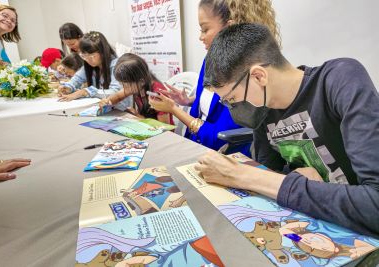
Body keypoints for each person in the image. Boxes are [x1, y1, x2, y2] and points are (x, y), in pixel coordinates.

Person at [197, 23, 379, 237]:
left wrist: (241, 175)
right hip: (312, 224)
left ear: (258, 77)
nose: (233, 109)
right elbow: (270, 176)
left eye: (232, 99)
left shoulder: (340, 80)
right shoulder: (263, 113)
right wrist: (292, 178)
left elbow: (374, 204)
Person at [149, 0, 279, 153]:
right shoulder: (211, 59)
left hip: (223, 155)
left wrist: (174, 110)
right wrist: (187, 101)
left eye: (205, 29)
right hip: (196, 145)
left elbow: (218, 138)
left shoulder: (247, 75)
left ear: (229, 27)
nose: (201, 37)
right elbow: (211, 102)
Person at [58, 31, 132, 111]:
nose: (88, 59)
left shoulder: (117, 65)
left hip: (120, 111)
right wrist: (68, 87)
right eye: (84, 56)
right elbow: (77, 79)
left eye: (92, 55)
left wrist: (86, 91)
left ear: (102, 52)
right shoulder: (89, 65)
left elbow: (115, 92)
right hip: (104, 110)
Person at [99, 53, 173, 125]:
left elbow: (165, 127)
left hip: (162, 133)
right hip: (145, 127)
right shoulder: (137, 85)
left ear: (141, 81)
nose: (124, 89)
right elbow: (118, 96)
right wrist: (108, 102)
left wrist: (138, 117)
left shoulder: (156, 94)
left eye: (126, 85)